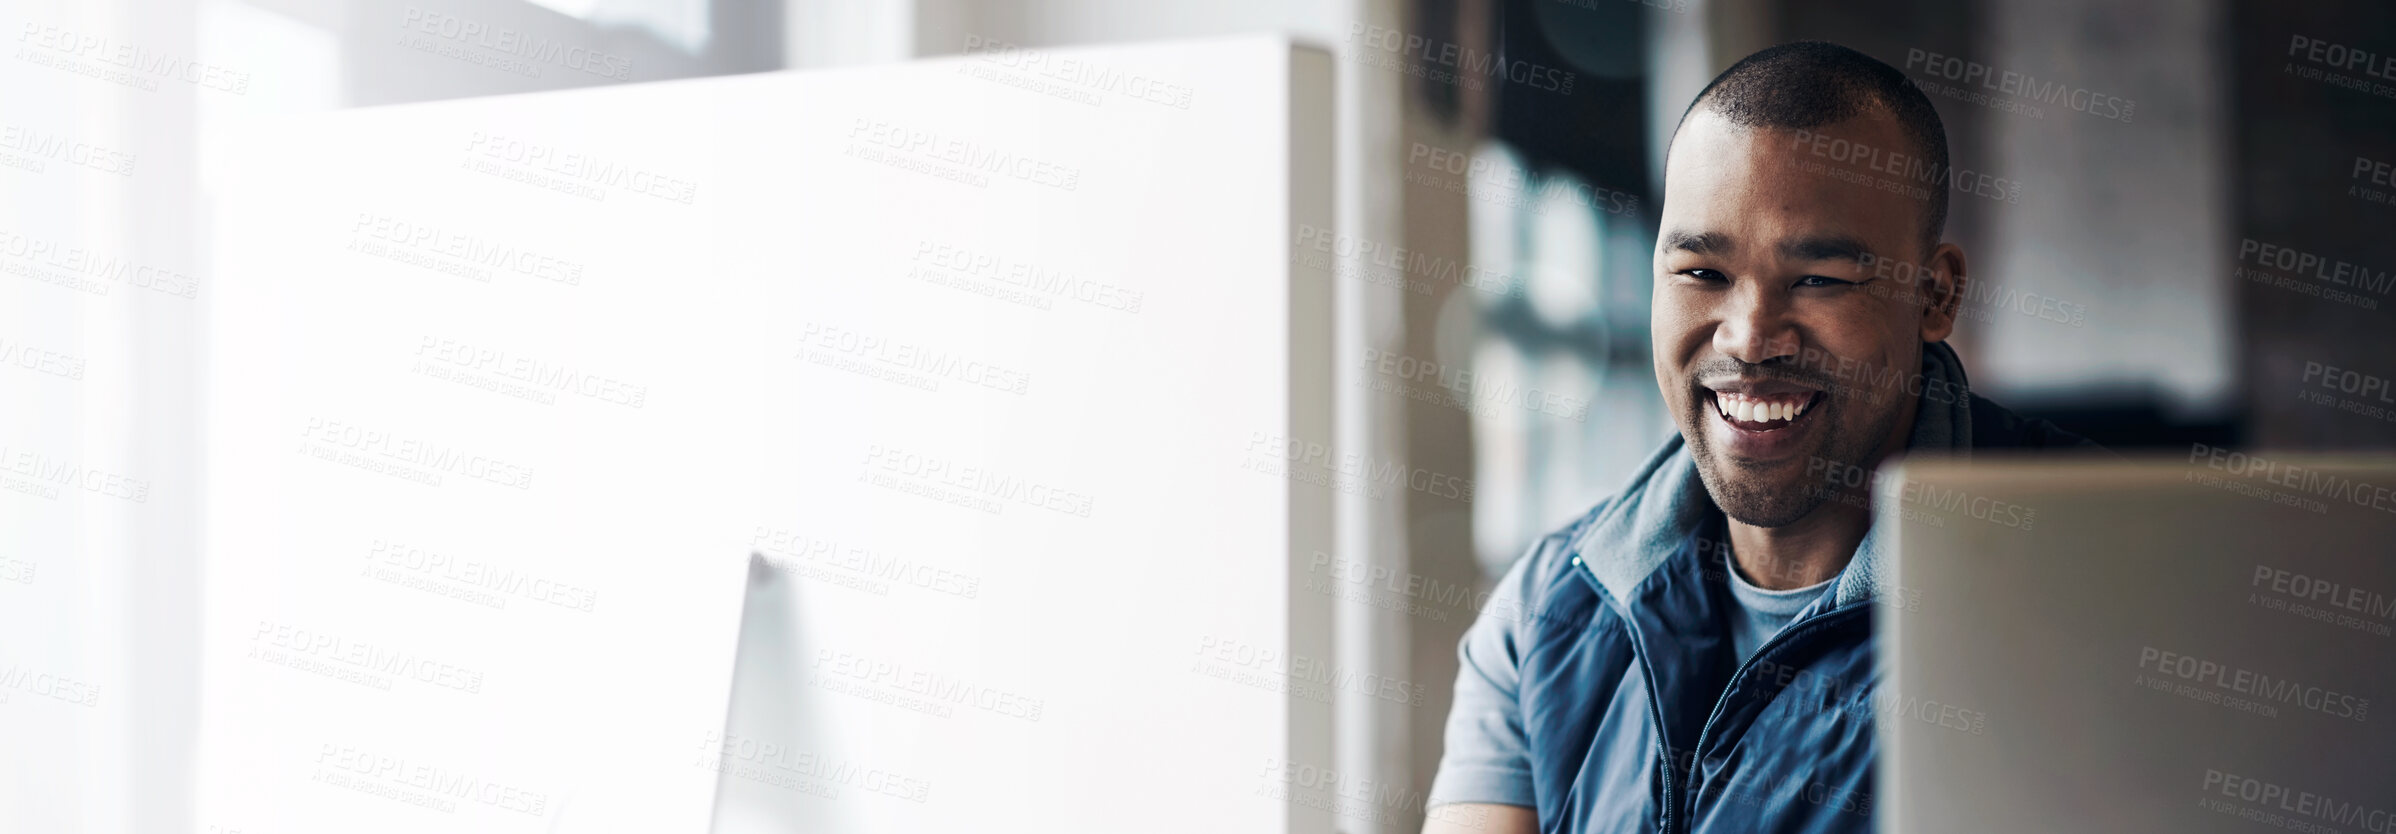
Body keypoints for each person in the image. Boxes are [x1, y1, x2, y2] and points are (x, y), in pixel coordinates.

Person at [1420, 41, 2101, 834]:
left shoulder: (2103, 582)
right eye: (1701, 275)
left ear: (1936, 293)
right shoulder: (1550, 609)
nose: (1748, 339)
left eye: (1820, 280)